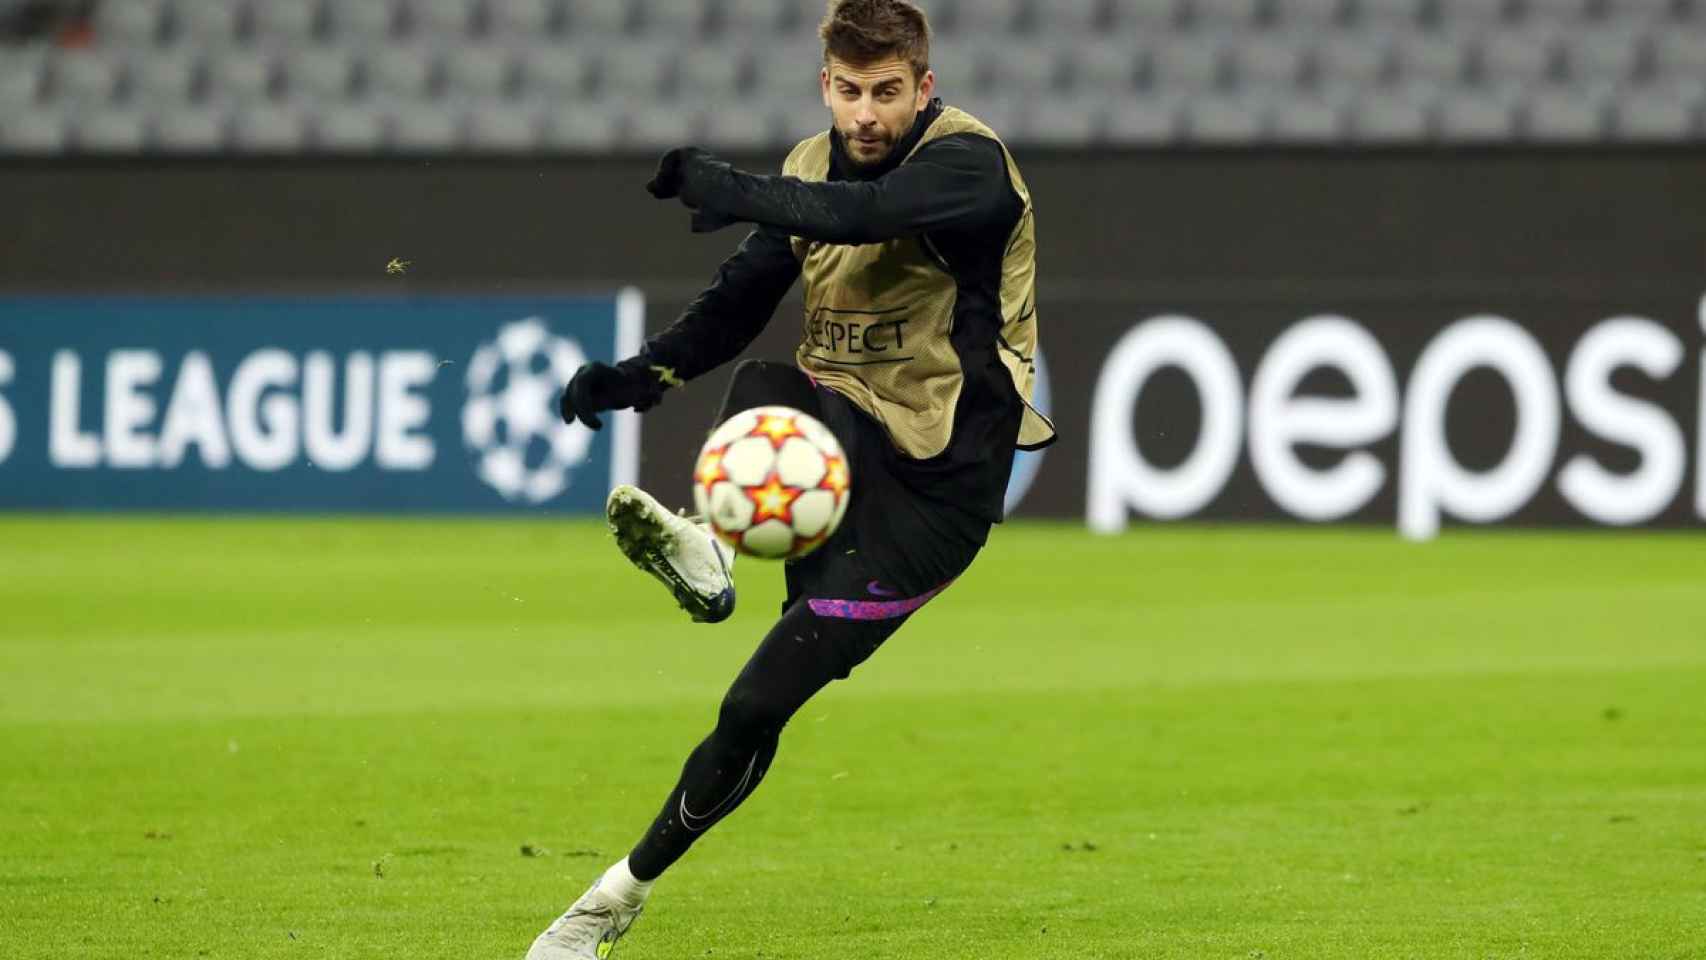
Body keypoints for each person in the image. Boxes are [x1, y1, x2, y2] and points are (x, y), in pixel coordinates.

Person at [527, 1, 1053, 956]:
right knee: (765, 380)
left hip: (937, 496)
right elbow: (736, 306)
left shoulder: (971, 167)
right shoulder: (809, 168)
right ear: (825, 85)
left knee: (754, 707)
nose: (865, 115)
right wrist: (635, 378)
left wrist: (734, 185)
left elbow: (868, 213)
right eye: (848, 92)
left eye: (887, 93)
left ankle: (612, 897)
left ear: (923, 88)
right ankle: (712, 550)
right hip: (842, 441)